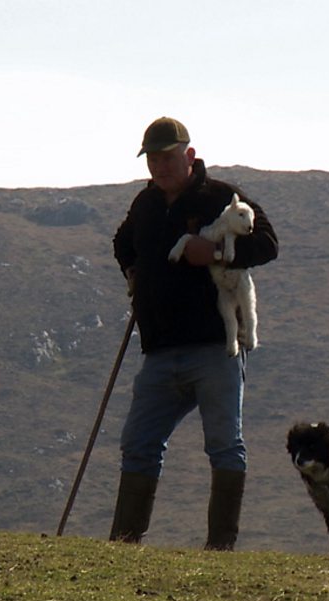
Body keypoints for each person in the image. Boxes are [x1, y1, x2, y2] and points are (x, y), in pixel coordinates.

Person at [109, 117, 278, 550]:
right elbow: (123, 242)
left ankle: (219, 550)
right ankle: (124, 546)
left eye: (167, 157)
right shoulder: (144, 205)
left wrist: (218, 252)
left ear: (188, 156)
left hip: (214, 348)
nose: (160, 167)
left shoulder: (222, 198)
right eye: (153, 159)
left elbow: (268, 243)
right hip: (161, 350)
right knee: (139, 444)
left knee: (223, 446)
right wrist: (133, 272)